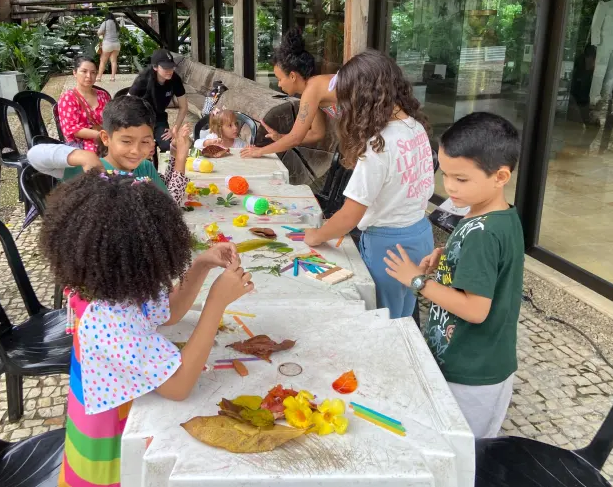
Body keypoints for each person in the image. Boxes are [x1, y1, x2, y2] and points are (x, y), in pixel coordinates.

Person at [41, 171, 254, 487]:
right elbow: (179, 386)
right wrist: (216, 303)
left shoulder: (113, 285)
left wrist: (201, 265)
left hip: (122, 424)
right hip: (106, 460)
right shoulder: (107, 323)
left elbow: (167, 313)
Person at [384, 112, 524, 439]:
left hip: (470, 371)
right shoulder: (497, 217)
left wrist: (417, 281)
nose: (449, 187)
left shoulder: (483, 234)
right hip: (478, 360)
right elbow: (493, 266)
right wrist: (448, 259)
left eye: (461, 179)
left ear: (500, 176)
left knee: (462, 453)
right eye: (444, 174)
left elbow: (475, 310)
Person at [302, 50, 434, 318]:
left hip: (388, 248)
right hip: (420, 234)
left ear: (362, 98)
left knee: (384, 318)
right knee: (404, 311)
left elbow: (350, 215)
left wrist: (316, 236)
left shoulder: (377, 146)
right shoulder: (415, 127)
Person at [28, 95, 191, 204]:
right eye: (127, 141)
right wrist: (85, 157)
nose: (135, 150)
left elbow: (169, 206)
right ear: (106, 138)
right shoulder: (82, 170)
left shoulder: (145, 169)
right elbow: (34, 155)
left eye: (145, 141)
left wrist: (176, 155)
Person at [241, 28, 339, 158]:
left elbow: (295, 138)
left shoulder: (312, 90)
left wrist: (259, 151)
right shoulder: (313, 90)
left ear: (292, 76)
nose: (279, 84)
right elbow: (317, 133)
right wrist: (281, 137)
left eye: (280, 79)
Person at [128, 49, 188, 157]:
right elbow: (126, 102)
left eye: (171, 67)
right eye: (165, 67)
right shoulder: (143, 80)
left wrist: (174, 129)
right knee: (144, 148)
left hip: (159, 117)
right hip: (140, 117)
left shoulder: (175, 79)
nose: (169, 70)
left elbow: (183, 107)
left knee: (168, 146)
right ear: (155, 67)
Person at [56, 56, 111, 153]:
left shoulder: (103, 95)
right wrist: (102, 135)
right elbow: (72, 130)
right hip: (79, 145)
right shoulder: (68, 98)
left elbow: (112, 118)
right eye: (84, 71)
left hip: (105, 141)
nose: (89, 76)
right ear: (75, 73)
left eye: (93, 72)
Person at [97, 12, 122, 83]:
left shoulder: (105, 23)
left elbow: (99, 32)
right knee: (114, 61)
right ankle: (112, 77)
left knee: (103, 61)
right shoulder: (116, 24)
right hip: (116, 44)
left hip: (107, 44)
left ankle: (99, 77)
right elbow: (117, 34)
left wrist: (103, 33)